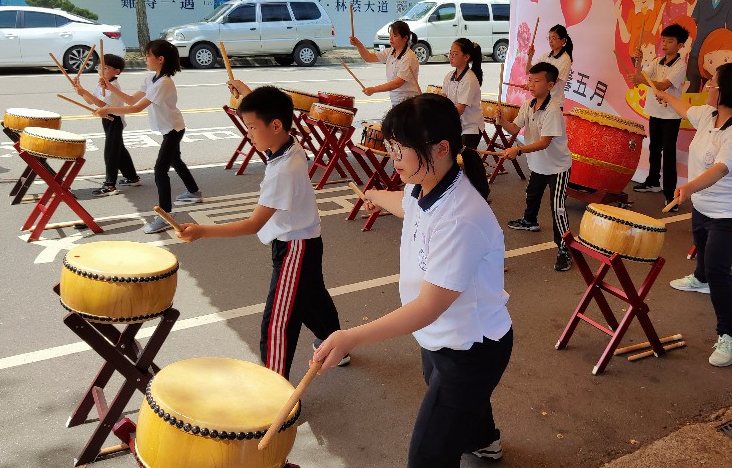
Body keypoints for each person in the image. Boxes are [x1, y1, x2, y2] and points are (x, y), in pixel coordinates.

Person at [312, 94, 511, 468]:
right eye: (391, 148)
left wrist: (350, 336)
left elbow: (428, 307)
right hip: (442, 337)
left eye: (401, 149)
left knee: (428, 455)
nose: (394, 159)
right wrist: (375, 194)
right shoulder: (426, 184)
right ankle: (484, 442)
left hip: (472, 348)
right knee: (452, 395)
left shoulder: (460, 217)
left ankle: (477, 437)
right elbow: (407, 204)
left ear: (441, 149)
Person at [176, 84, 348, 379]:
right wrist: (247, 94)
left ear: (276, 125)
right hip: (305, 241)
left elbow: (253, 224)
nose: (249, 134)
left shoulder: (283, 172)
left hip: (294, 248)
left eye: (252, 127)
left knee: (278, 322)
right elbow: (270, 111)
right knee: (311, 299)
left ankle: (273, 388)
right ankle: (336, 347)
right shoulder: (290, 145)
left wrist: (202, 231)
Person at [652, 62, 732, 367]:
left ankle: (729, 336)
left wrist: (688, 188)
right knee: (701, 246)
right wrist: (663, 95)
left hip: (729, 211)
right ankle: (700, 279)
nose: (708, 86)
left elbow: (720, 169)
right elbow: (685, 108)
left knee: (718, 270)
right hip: (703, 205)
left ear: (728, 91)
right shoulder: (710, 114)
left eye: (713, 82)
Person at [96, 40, 202, 233]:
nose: (145, 59)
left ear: (160, 59)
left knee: (160, 170)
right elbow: (131, 100)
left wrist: (109, 109)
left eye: (147, 56)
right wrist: (110, 87)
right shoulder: (151, 79)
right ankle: (194, 192)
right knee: (175, 160)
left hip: (174, 129)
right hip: (169, 128)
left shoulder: (164, 83)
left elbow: (136, 108)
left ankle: (165, 215)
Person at [496, 63, 573, 272]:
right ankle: (530, 221)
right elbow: (514, 128)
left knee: (558, 209)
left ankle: (565, 248)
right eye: (530, 80)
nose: (531, 84)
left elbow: (545, 142)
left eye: (536, 81)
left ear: (550, 85)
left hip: (558, 167)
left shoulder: (553, 109)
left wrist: (518, 150)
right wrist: (502, 121)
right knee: (532, 194)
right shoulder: (528, 104)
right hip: (538, 164)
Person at [632, 24, 690, 212]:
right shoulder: (657, 61)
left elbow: (663, 85)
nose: (664, 44)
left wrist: (642, 80)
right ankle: (652, 181)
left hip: (671, 115)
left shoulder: (680, 65)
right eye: (663, 40)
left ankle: (670, 194)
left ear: (680, 45)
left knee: (669, 153)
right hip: (655, 112)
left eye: (670, 41)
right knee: (654, 149)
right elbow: (639, 77)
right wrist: (639, 61)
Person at [72, 53, 141, 196]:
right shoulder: (101, 83)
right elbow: (90, 101)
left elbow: (101, 104)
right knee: (119, 150)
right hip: (107, 119)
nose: (101, 70)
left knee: (111, 152)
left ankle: (110, 185)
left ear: (117, 71)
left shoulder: (113, 85)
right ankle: (132, 177)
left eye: (106, 68)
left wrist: (84, 91)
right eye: (99, 67)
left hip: (114, 120)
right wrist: (80, 91)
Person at [441, 38, 489, 198]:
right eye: (450, 53)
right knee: (458, 160)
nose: (451, 56)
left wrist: (442, 121)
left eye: (455, 54)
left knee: (468, 161)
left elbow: (460, 109)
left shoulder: (469, 79)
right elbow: (444, 99)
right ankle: (459, 192)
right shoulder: (449, 76)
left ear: (466, 57)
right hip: (456, 125)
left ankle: (480, 193)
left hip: (470, 127)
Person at [350, 20, 421, 106]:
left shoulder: (409, 57)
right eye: (390, 35)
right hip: (397, 102)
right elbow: (369, 57)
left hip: (408, 103)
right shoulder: (390, 52)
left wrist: (373, 89)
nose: (391, 38)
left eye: (394, 36)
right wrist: (358, 45)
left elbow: (397, 83)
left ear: (405, 38)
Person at [525, 24, 573, 107]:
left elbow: (552, 81)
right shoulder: (546, 56)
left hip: (554, 103)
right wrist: (530, 57)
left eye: (554, 38)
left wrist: (532, 85)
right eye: (549, 38)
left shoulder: (565, 59)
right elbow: (529, 71)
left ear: (563, 41)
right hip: (541, 101)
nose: (550, 41)